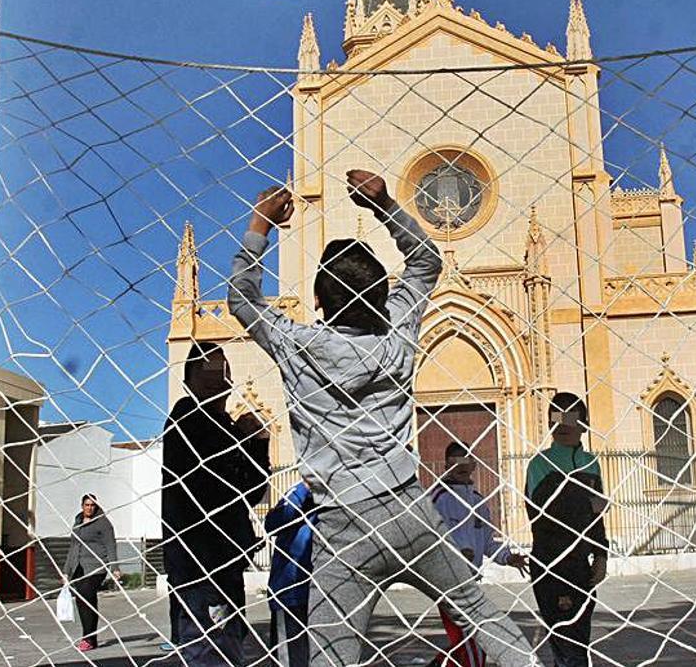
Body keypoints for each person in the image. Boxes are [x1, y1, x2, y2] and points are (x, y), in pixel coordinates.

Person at [228, 172, 542, 667]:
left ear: (317, 303)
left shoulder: (299, 347)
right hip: (411, 511)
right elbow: (424, 261)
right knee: (482, 615)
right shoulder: (398, 334)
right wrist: (385, 204)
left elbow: (242, 299)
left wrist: (260, 225)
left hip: (343, 525)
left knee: (332, 653)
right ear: (381, 296)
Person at [161, 341, 271, 666]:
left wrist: (257, 444)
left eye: (223, 371)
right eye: (206, 370)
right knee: (209, 651)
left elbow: (252, 491)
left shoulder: (225, 427)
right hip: (201, 566)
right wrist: (243, 438)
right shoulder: (187, 418)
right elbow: (221, 482)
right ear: (189, 379)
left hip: (226, 565)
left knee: (229, 648)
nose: (217, 378)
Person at [524, 392, 609, 667]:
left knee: (578, 643)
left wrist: (601, 553)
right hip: (552, 565)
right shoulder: (540, 465)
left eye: (570, 416)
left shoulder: (590, 464)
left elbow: (597, 515)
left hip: (581, 567)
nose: (563, 424)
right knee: (567, 645)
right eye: (557, 416)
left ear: (583, 423)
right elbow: (543, 518)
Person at [429, 442, 530, 667]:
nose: (461, 465)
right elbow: (428, 539)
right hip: (447, 582)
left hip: (470, 582)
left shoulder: (478, 501)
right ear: (446, 465)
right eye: (455, 461)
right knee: (473, 642)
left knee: (467, 641)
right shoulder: (436, 498)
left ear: (474, 463)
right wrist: (454, 552)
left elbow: (487, 543)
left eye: (466, 459)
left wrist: (508, 558)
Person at [262, 481, 318, 667]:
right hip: (291, 591)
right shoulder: (298, 494)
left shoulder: (339, 497)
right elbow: (273, 522)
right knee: (290, 657)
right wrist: (304, 489)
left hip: (322, 591)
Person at [62, 493, 120, 653]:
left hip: (96, 566)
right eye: (87, 505)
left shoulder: (103, 523)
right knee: (82, 599)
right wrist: (66, 571)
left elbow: (110, 545)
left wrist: (114, 567)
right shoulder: (78, 520)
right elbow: (73, 547)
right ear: (82, 506)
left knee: (86, 595)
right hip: (79, 566)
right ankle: (90, 637)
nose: (89, 508)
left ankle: (88, 638)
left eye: (92, 505)